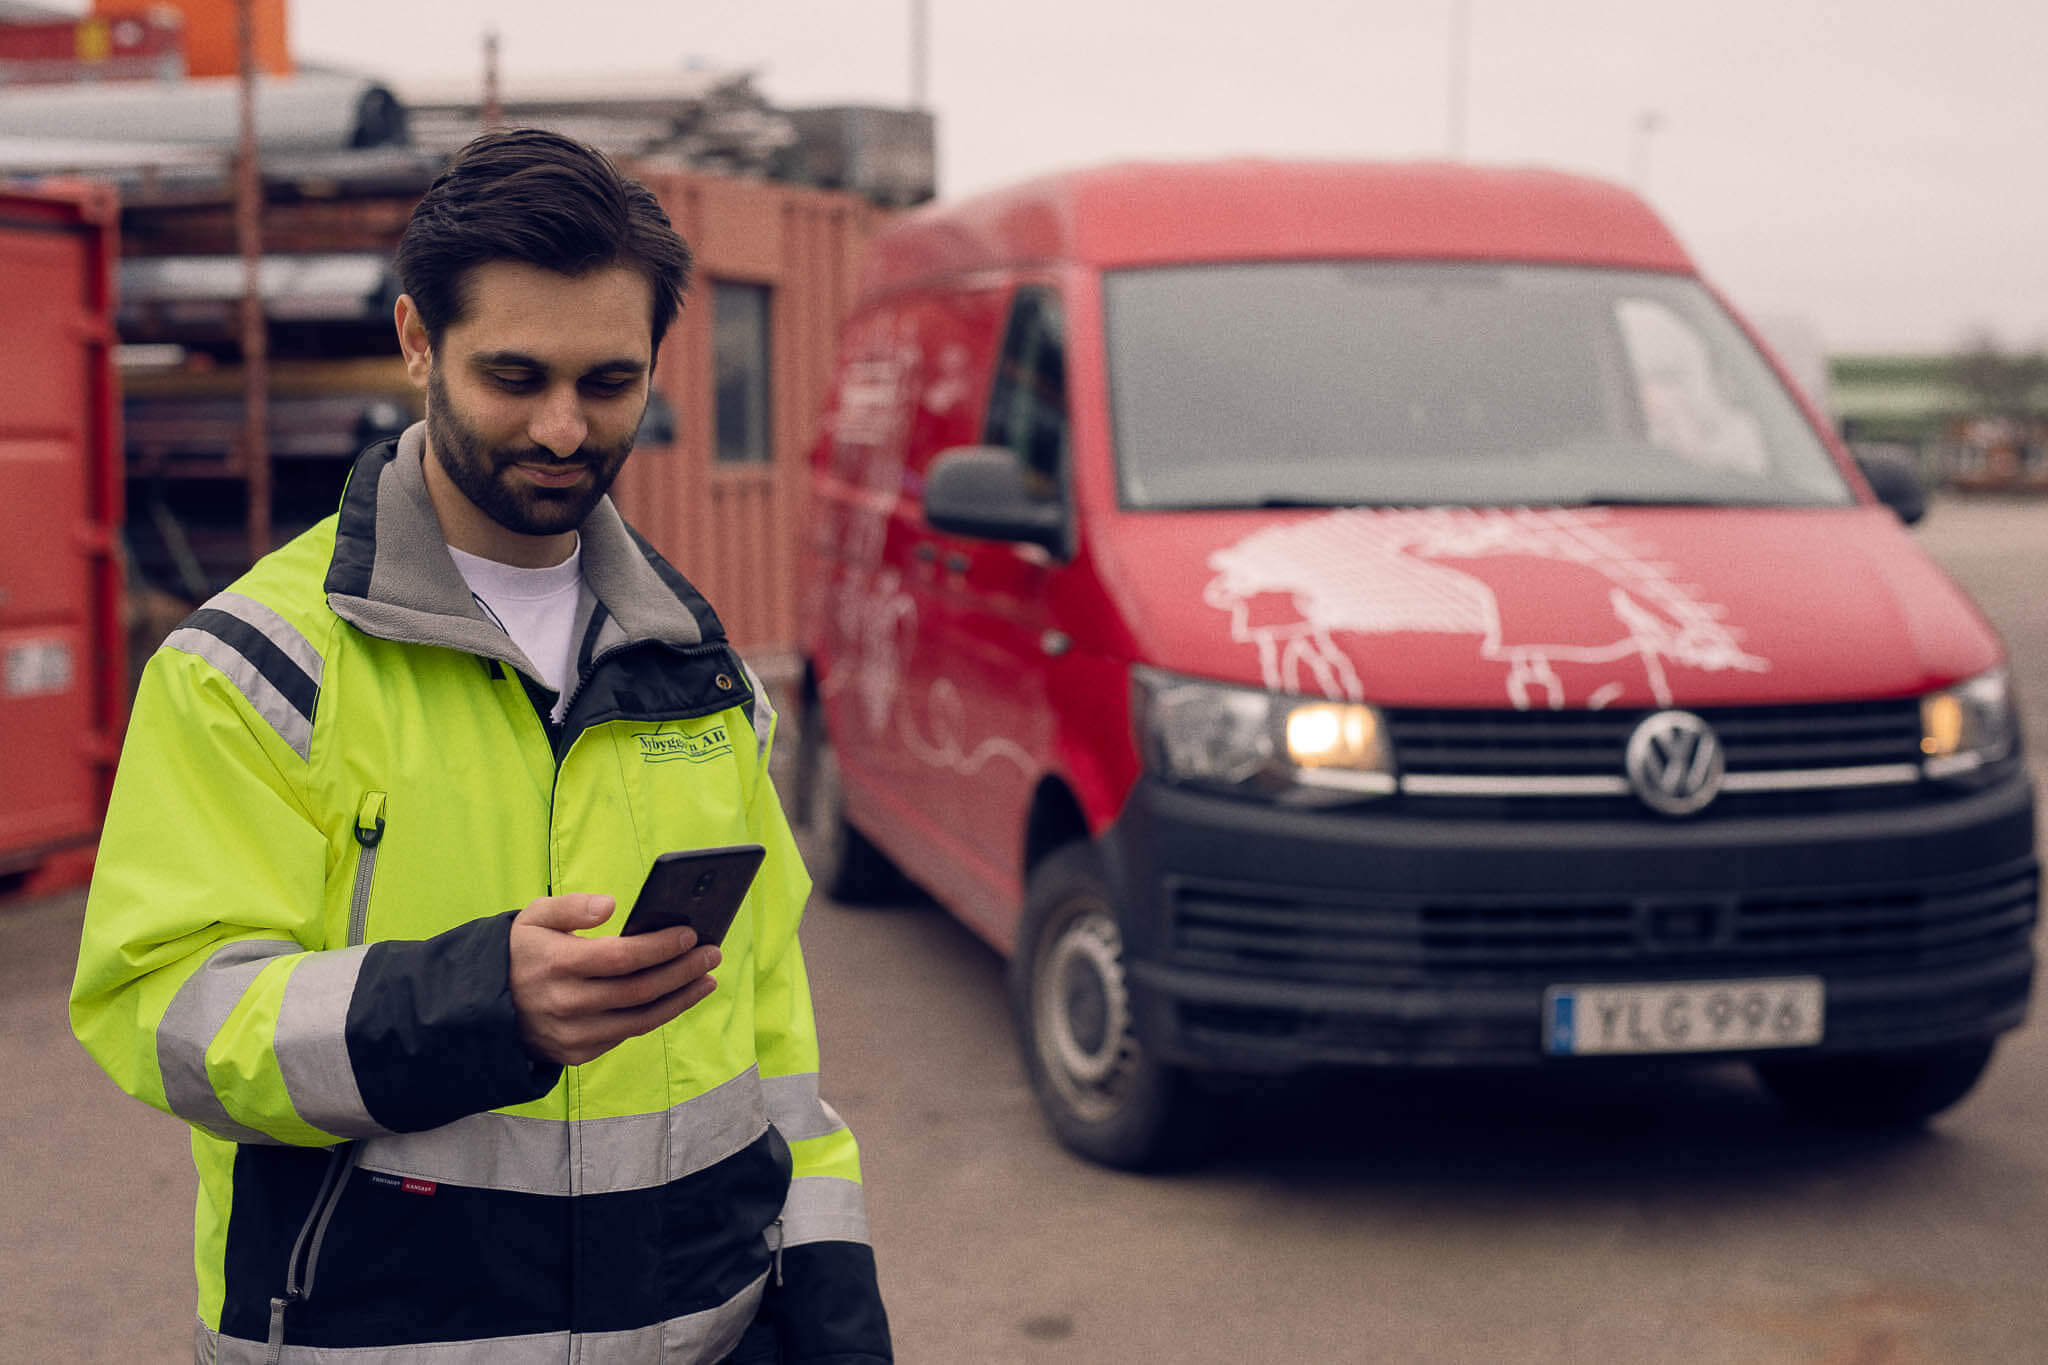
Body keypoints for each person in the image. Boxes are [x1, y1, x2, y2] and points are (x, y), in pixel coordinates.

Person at [70, 128, 890, 1364]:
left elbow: (771, 1040)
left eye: (608, 383)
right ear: (416, 341)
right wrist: (476, 1006)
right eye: (515, 377)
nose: (563, 430)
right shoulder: (253, 669)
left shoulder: (699, 677)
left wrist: (831, 1305)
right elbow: (166, 1015)